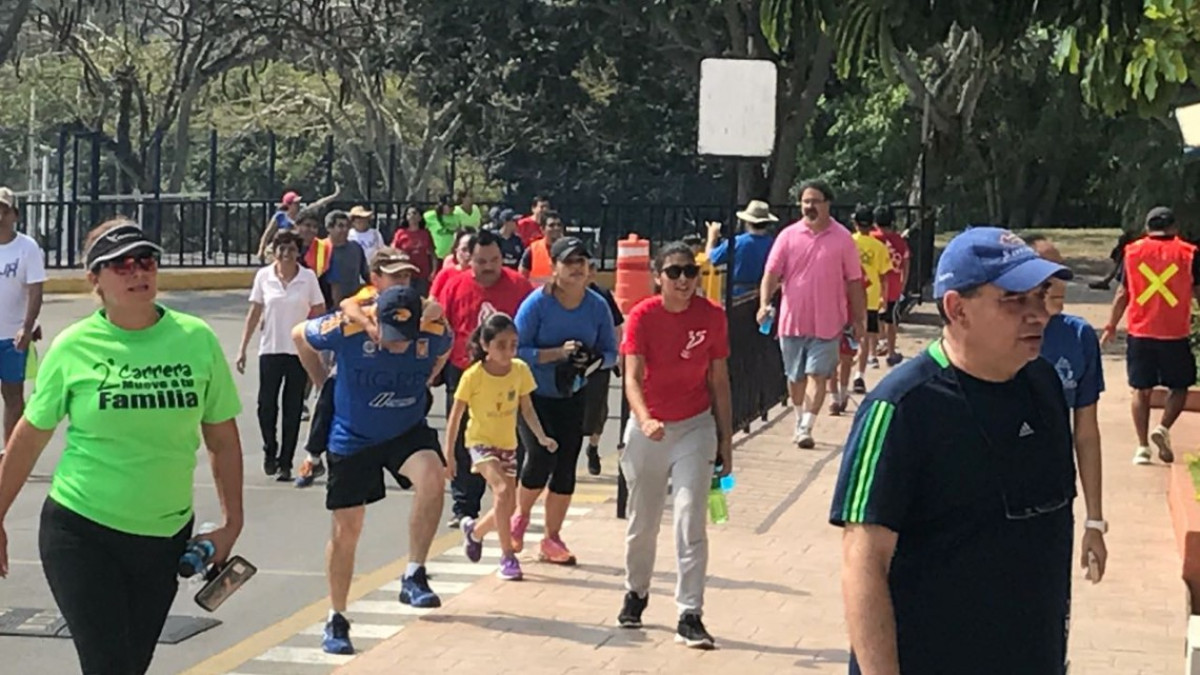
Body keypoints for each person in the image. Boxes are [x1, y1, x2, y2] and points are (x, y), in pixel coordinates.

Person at [0, 219, 244, 674]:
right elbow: (29, 437)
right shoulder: (74, 347)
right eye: (121, 264)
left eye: (146, 261)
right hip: (82, 532)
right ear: (94, 278)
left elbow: (223, 439)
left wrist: (233, 522)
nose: (137, 273)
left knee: (131, 666)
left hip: (164, 538)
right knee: (109, 666)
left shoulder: (197, 340)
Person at [832, 226, 1075, 675]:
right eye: (1014, 300)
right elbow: (863, 560)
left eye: (1040, 296)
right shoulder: (901, 407)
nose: (1038, 314)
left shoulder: (1044, 386)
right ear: (957, 308)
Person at [294, 284, 451, 656]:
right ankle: (337, 616)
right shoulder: (347, 328)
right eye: (390, 336)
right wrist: (323, 384)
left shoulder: (432, 330)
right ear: (374, 321)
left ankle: (414, 573)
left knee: (432, 476)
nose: (397, 344)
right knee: (348, 528)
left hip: (405, 428)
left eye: (405, 337)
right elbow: (299, 335)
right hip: (353, 435)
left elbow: (444, 348)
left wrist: (425, 379)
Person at [616, 241, 732, 650]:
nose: (684, 280)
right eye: (675, 272)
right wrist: (645, 417)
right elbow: (631, 377)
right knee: (642, 523)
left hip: (695, 427)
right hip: (650, 429)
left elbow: (719, 380)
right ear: (658, 277)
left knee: (689, 519)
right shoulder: (642, 317)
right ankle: (637, 591)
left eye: (690, 271)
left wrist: (725, 442)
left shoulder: (713, 316)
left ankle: (690, 613)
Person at [293, 249, 444, 489]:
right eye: (395, 276)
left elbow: (436, 309)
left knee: (418, 401)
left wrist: (419, 326)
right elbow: (346, 304)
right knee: (328, 398)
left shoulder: (409, 301)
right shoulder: (370, 297)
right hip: (358, 364)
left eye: (406, 276)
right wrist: (368, 324)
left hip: (401, 372)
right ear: (376, 278)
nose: (402, 282)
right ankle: (313, 455)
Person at [512, 237, 618, 564]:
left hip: (573, 392)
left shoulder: (597, 305)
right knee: (541, 456)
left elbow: (612, 351)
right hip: (533, 395)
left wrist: (591, 362)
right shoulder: (536, 305)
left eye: (582, 262)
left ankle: (552, 538)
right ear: (554, 269)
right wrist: (556, 354)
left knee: (566, 465)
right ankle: (520, 515)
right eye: (569, 262)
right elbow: (514, 350)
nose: (576, 268)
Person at [445, 314, 556, 581]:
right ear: (486, 345)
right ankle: (508, 556)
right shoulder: (473, 376)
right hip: (480, 443)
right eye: (501, 345)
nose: (508, 351)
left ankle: (475, 532)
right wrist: (448, 454)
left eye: (513, 345)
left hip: (508, 444)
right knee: (503, 491)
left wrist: (541, 437)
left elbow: (527, 408)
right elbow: (456, 415)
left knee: (506, 504)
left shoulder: (519, 370)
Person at [436, 230, 534, 527]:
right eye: (481, 261)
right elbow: (442, 326)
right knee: (466, 436)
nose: (488, 267)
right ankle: (464, 506)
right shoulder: (455, 285)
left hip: (507, 375)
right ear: (469, 259)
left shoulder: (519, 286)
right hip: (465, 371)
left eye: (494, 260)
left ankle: (503, 503)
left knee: (508, 437)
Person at [758, 180, 866, 449]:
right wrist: (764, 303)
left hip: (829, 322)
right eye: (805, 202)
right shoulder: (787, 236)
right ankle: (798, 419)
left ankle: (807, 425)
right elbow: (771, 274)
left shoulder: (843, 239)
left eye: (815, 201)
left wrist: (859, 318)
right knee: (795, 377)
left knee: (818, 374)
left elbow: (854, 281)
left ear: (827, 204)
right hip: (792, 320)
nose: (809, 207)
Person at [1029, 235, 1108, 582]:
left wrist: (1094, 520)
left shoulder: (1078, 337)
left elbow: (1087, 433)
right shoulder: (1001, 336)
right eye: (1045, 277)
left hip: (1054, 493)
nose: (1058, 284)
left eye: (1061, 274)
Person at [1101, 206, 1199, 464]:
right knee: (1179, 386)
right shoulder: (1188, 253)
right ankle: (1163, 427)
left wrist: (1111, 325)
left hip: (1140, 331)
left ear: (1147, 228)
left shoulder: (1132, 252)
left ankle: (1142, 446)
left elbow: (1123, 293)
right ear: (1175, 228)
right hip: (1174, 333)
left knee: (1140, 389)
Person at [236, 230, 326, 482]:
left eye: (292, 250)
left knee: (292, 407)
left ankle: (285, 461)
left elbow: (319, 312)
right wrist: (243, 348)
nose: (286, 255)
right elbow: (255, 311)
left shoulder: (307, 278)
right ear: (274, 251)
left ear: (299, 253)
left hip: (299, 352)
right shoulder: (264, 276)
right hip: (271, 349)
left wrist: (317, 345)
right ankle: (270, 449)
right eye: (282, 249)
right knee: (266, 405)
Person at [0, 187, 45, 446]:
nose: (0, 215)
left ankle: (11, 452)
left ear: (14, 214)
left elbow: (35, 290)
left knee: (13, 396)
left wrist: (27, 327)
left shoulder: (26, 248)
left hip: (12, 336)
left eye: (4, 210)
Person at [583, 261, 625, 475]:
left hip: (599, 361)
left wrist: (615, 354)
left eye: (591, 268)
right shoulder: (565, 295)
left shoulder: (603, 296)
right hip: (572, 362)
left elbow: (617, 326)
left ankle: (593, 447)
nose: (587, 273)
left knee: (598, 409)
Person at [850, 205, 893, 393]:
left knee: (842, 334)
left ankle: (836, 374)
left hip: (848, 294)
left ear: (854, 223)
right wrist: (884, 297)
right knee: (865, 337)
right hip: (871, 295)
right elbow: (884, 276)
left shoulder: (847, 242)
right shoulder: (879, 246)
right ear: (872, 224)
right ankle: (859, 374)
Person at [704, 199, 776, 297]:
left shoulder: (736, 242)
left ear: (747, 221)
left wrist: (712, 237)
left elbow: (711, 258)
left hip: (739, 296)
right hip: (765, 293)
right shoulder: (774, 244)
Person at [870, 206, 910, 366]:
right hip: (893, 286)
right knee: (891, 320)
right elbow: (906, 262)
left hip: (873, 286)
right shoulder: (899, 240)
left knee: (872, 319)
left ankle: (872, 354)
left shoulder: (871, 238)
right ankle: (891, 352)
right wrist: (904, 283)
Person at [257, 187, 340, 262]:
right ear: (288, 205)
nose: (298, 205)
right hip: (282, 245)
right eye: (295, 203)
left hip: (298, 246)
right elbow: (267, 234)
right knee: (271, 252)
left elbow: (318, 204)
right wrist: (261, 249)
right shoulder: (280, 216)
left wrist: (334, 196)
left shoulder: (302, 214)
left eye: (298, 202)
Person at [324, 210, 370, 305]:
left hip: (353, 303)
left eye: (347, 226)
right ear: (329, 228)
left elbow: (366, 274)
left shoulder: (355, 248)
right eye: (340, 226)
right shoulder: (321, 248)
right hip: (327, 305)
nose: (345, 230)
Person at [391, 204, 436, 297]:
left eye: (415, 213)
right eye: (409, 214)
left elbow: (432, 254)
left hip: (422, 273)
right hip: (405, 273)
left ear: (420, 217)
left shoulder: (425, 234)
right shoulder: (400, 233)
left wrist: (434, 271)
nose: (412, 216)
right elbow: (393, 251)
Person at [519, 210, 566, 286]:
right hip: (539, 296)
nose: (556, 228)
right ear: (542, 229)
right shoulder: (532, 250)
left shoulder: (569, 249)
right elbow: (522, 278)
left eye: (559, 225)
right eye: (551, 225)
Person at [425, 195, 460, 261]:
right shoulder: (430, 216)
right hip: (436, 256)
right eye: (450, 206)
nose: (452, 208)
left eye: (454, 206)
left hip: (451, 255)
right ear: (441, 205)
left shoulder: (456, 217)